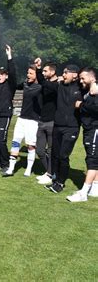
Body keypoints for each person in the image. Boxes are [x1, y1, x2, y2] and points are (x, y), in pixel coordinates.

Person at [38, 65, 83, 193]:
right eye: (63, 72)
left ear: (75, 75)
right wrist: (38, 68)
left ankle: (61, 183)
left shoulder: (81, 88)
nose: (63, 75)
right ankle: (55, 178)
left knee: (64, 156)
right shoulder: (59, 85)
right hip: (57, 126)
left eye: (66, 73)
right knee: (55, 154)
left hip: (72, 128)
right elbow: (43, 82)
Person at [2, 61, 42, 177]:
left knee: (30, 145)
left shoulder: (41, 87)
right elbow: (13, 83)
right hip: (21, 119)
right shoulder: (25, 84)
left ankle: (28, 169)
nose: (28, 75)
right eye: (27, 73)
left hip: (33, 121)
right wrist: (10, 59)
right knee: (15, 142)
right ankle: (11, 168)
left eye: (31, 73)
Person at [66, 67, 98, 202]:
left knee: (92, 160)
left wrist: (81, 105)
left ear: (92, 78)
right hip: (89, 128)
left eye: (83, 78)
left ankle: (83, 193)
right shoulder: (89, 91)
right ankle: (95, 188)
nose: (81, 80)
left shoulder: (95, 92)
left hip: (94, 129)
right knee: (94, 159)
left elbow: (95, 108)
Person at [35, 62, 58, 184]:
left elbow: (43, 82)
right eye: (42, 71)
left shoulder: (58, 85)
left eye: (45, 71)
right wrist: (38, 68)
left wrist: (38, 71)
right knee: (39, 150)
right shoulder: (45, 84)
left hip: (52, 122)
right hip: (42, 121)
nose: (43, 73)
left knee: (50, 150)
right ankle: (50, 171)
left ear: (52, 72)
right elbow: (42, 81)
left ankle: (50, 174)